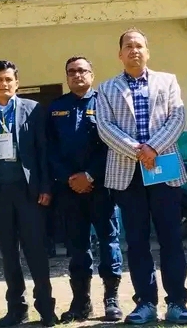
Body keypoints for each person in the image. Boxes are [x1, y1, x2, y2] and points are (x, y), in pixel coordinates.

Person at [96, 28, 187, 325]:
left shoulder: (168, 81)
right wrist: (138, 151)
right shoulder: (107, 88)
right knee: (137, 242)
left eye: (139, 45)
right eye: (128, 46)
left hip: (163, 170)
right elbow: (105, 127)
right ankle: (146, 303)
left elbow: (177, 118)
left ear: (147, 51)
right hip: (128, 174)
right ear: (120, 54)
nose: (134, 50)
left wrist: (153, 148)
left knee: (171, 239)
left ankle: (177, 302)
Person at [0, 60, 58, 327]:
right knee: (8, 253)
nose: (4, 84)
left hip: (29, 192)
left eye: (9, 79)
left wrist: (45, 186)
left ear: (17, 83)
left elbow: (43, 150)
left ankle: (46, 308)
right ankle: (16, 309)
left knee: (36, 250)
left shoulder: (33, 109)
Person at [47, 56, 123, 323]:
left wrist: (90, 175)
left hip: (101, 186)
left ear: (92, 74)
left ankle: (111, 300)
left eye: (82, 70)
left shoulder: (106, 103)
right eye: (72, 72)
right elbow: (50, 149)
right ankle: (81, 302)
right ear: (67, 77)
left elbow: (112, 145)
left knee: (109, 241)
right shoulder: (56, 108)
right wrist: (69, 178)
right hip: (69, 190)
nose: (77, 75)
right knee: (77, 246)